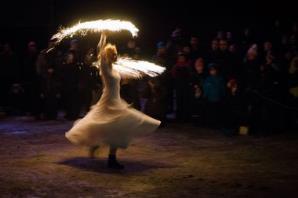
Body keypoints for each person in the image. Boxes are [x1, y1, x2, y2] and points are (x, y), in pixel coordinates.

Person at [65, 44, 161, 169]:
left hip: (116, 100)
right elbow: (100, 53)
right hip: (108, 101)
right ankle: (105, 154)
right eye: (113, 54)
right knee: (107, 126)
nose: (116, 56)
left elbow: (123, 79)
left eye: (116, 54)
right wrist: (103, 37)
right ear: (107, 56)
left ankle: (104, 152)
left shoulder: (115, 69)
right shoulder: (105, 68)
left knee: (115, 128)